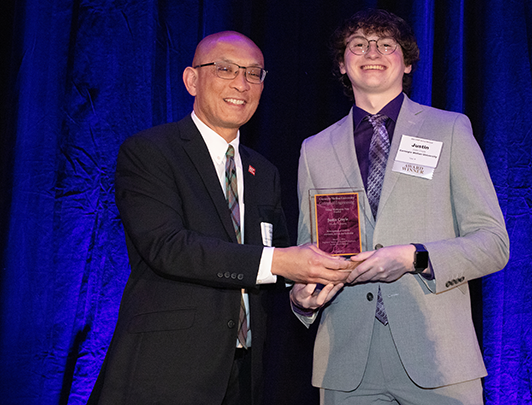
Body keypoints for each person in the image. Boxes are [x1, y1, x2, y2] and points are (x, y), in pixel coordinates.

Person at [87, 31, 349, 405]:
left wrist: (301, 297)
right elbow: (168, 247)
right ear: (192, 80)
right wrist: (281, 261)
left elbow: (273, 267)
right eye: (225, 69)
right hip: (165, 370)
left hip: (243, 375)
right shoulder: (150, 152)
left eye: (254, 73)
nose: (241, 83)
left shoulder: (265, 171)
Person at [290, 9, 510, 405]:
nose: (371, 50)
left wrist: (416, 257)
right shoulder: (314, 149)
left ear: (406, 62)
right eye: (358, 44)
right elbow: (311, 251)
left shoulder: (450, 130)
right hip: (347, 363)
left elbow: (494, 243)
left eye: (386, 44)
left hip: (438, 359)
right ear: (342, 63)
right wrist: (301, 297)